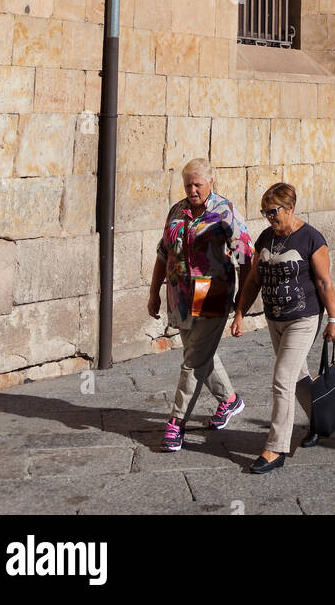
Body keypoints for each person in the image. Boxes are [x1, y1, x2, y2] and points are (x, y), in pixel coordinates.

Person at [232, 183, 335, 474]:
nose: (269, 217)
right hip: (274, 319)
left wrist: (334, 320)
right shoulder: (266, 236)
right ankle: (322, 420)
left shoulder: (311, 239)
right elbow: (254, 280)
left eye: (273, 211)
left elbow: (324, 283)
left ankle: (276, 448)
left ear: (290, 209)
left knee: (282, 379)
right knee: (298, 375)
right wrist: (240, 312)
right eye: (265, 212)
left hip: (304, 319)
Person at [149, 159, 253, 452]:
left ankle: (176, 423)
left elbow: (246, 255)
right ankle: (230, 400)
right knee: (201, 354)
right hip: (179, 296)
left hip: (213, 294)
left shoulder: (224, 212)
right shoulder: (177, 211)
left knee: (193, 360)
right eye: (188, 184)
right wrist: (154, 292)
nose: (192, 190)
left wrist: (242, 304)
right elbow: (162, 252)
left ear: (210, 182)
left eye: (198, 184)